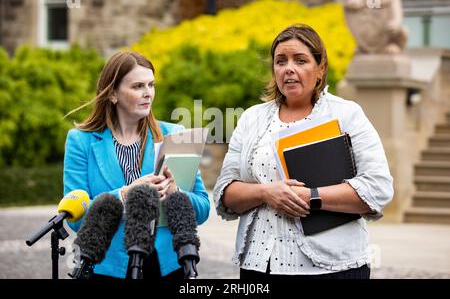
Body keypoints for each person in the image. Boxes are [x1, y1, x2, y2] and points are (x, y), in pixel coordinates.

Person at [213, 24, 394, 280]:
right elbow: (225, 191)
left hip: (332, 269)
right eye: (280, 61)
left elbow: (378, 188)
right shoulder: (251, 118)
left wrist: (310, 197)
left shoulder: (346, 114)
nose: (289, 68)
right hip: (258, 267)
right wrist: (265, 192)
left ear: (320, 69)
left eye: (300, 60)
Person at [63, 51, 210, 280]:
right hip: (107, 268)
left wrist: (174, 192)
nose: (147, 93)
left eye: (151, 85)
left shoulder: (175, 135)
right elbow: (77, 218)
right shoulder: (80, 140)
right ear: (112, 94)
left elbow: (202, 210)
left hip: (166, 267)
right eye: (138, 86)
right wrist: (124, 195)